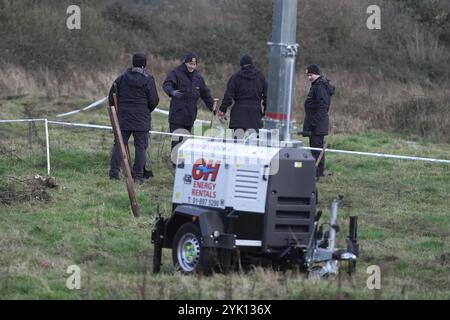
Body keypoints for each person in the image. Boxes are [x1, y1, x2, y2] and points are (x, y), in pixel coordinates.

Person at [108, 53, 160, 183]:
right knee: (140, 147)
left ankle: (113, 174)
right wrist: (146, 110)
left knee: (119, 145)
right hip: (141, 119)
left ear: (133, 63)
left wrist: (120, 110)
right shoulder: (149, 80)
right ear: (144, 64)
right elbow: (154, 100)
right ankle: (138, 177)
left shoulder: (121, 78)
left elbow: (111, 97)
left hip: (124, 118)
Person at [163, 52, 215, 151]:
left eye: (194, 64)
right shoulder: (176, 73)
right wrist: (172, 92)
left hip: (190, 116)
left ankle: (182, 163)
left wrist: (213, 107)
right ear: (185, 63)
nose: (192, 66)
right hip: (177, 115)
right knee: (176, 141)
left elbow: (205, 94)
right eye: (190, 64)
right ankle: (175, 163)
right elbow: (167, 84)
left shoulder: (198, 78)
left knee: (185, 142)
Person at [218, 54, 267, 138]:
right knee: (254, 147)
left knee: (236, 146)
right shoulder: (260, 77)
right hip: (255, 116)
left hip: (238, 116)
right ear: (252, 64)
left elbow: (228, 96)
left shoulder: (235, 77)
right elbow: (267, 97)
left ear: (241, 65)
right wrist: (265, 113)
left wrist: (223, 109)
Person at [303, 64, 335, 180]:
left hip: (317, 124)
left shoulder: (320, 86)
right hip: (315, 124)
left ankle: (317, 174)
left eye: (310, 75)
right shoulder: (316, 85)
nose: (309, 77)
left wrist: (314, 122)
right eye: (308, 75)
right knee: (316, 148)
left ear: (316, 74)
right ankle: (318, 172)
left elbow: (323, 106)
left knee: (316, 149)